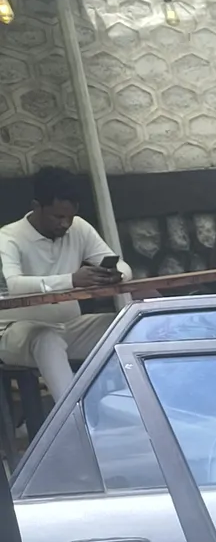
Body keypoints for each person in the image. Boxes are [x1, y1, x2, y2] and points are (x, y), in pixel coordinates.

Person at [0, 167, 129, 403]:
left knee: (126, 325)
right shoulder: (8, 238)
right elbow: (14, 286)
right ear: (37, 206)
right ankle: (72, 419)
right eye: (57, 217)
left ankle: (132, 404)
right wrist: (71, 280)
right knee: (46, 338)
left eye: (70, 216)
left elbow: (122, 266)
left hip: (69, 327)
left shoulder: (78, 227)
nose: (65, 224)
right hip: (14, 335)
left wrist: (114, 275)